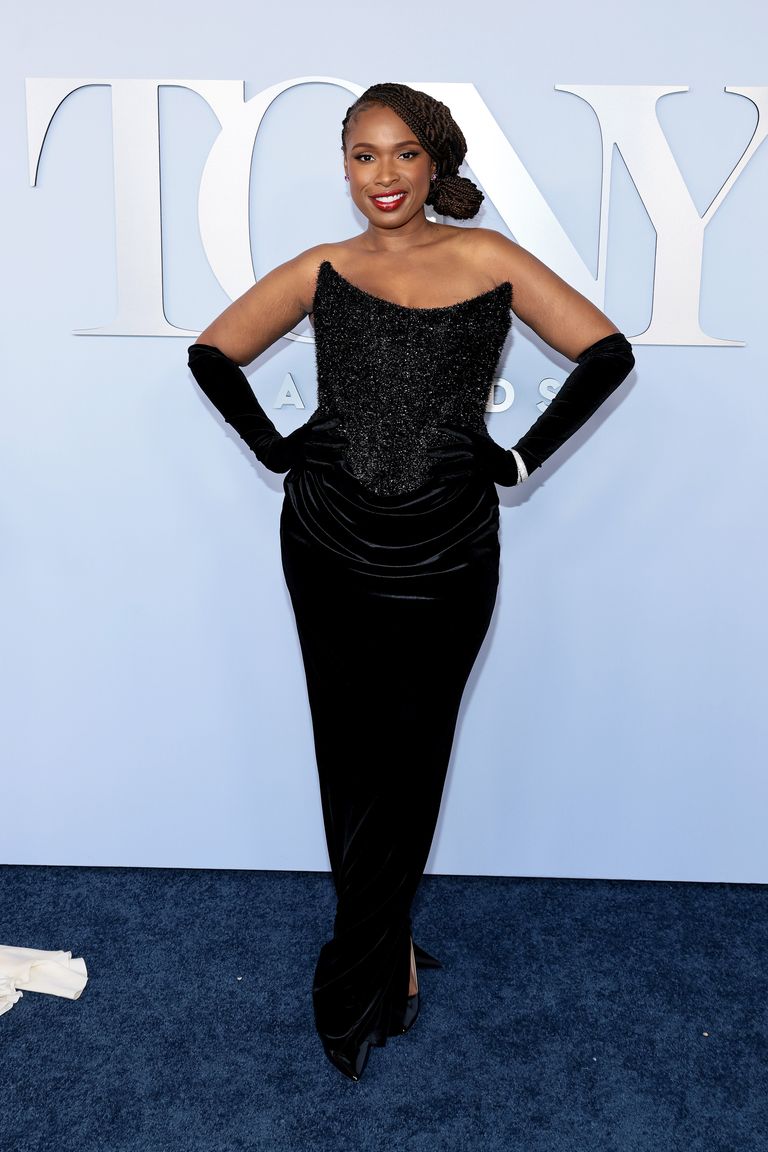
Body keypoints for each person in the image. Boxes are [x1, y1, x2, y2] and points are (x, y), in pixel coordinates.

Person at [187, 82, 635, 1083]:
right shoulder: (324, 268)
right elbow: (212, 353)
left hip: (448, 547)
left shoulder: (489, 259)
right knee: (349, 754)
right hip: (329, 539)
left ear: (435, 161)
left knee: (413, 755)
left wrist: (518, 459)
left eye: (402, 154)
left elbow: (607, 353)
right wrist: (276, 447)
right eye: (363, 156)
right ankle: (376, 950)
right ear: (345, 168)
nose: (382, 176)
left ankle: (368, 950)